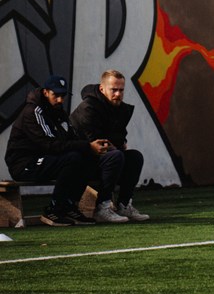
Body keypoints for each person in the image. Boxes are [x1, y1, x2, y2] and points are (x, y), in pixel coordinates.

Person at [4, 75, 107, 226]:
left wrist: (92, 147)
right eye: (56, 95)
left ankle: (69, 206)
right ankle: (53, 210)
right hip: (24, 164)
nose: (60, 100)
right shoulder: (33, 111)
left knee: (88, 158)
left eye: (63, 96)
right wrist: (86, 146)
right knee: (73, 158)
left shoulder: (58, 112)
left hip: (47, 159)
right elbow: (50, 145)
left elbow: (71, 138)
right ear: (46, 93)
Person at [70, 70, 149, 223]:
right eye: (114, 90)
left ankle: (124, 204)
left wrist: (115, 144)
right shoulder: (88, 108)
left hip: (105, 158)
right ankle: (103, 207)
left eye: (121, 90)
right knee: (115, 155)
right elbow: (97, 143)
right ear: (102, 89)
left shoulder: (121, 109)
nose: (118, 94)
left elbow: (120, 139)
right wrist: (115, 144)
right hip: (81, 160)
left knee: (135, 157)